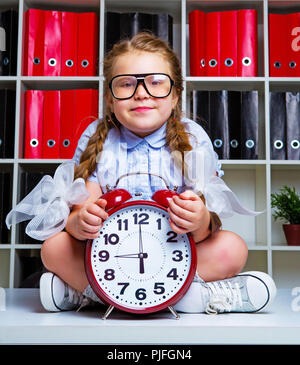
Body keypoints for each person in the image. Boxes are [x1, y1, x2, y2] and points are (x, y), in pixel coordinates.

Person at [8, 32, 276, 314]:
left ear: (175, 96)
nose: (141, 93)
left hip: (174, 256)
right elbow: (80, 211)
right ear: (110, 99)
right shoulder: (97, 139)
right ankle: (188, 297)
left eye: (156, 82)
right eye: (126, 84)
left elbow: (208, 221)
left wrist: (198, 221)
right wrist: (80, 223)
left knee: (232, 248)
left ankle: (88, 295)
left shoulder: (192, 137)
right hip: (110, 259)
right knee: (54, 248)